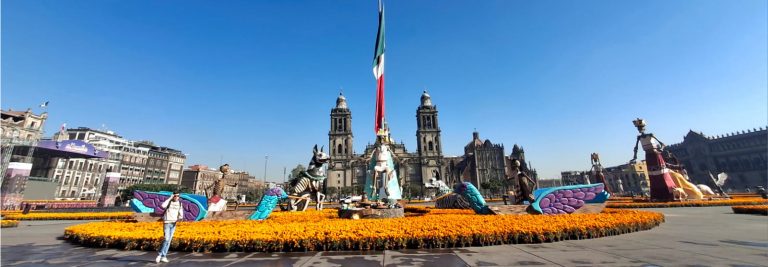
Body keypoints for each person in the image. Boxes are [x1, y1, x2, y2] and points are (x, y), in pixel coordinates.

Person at [157, 191, 184, 263]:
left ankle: (164, 256)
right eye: (175, 196)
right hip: (167, 222)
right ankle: (159, 254)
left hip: (174, 223)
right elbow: (163, 205)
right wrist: (169, 198)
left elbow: (181, 212)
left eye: (178, 196)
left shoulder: (180, 203)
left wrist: (181, 217)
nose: (176, 197)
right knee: (166, 239)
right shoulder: (169, 202)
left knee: (169, 241)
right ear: (173, 196)